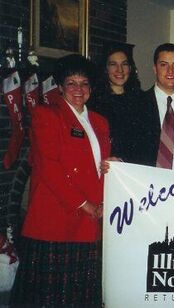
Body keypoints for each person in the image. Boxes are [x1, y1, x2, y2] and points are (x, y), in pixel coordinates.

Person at [10, 54, 111, 307]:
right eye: (71, 83)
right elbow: (49, 168)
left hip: (91, 219)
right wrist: (84, 205)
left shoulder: (100, 121)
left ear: (91, 87)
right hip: (56, 220)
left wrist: (113, 169)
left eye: (84, 83)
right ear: (61, 87)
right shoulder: (46, 115)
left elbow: (99, 165)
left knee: (81, 296)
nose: (79, 89)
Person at [88, 44, 144, 164]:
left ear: (130, 68)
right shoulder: (93, 102)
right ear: (105, 69)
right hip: (106, 166)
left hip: (136, 168)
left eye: (124, 64)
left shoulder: (142, 100)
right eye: (113, 64)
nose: (120, 70)